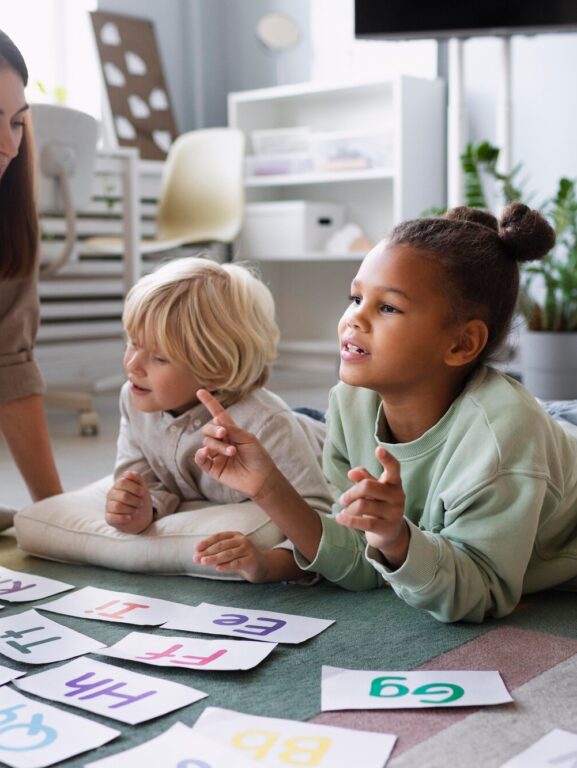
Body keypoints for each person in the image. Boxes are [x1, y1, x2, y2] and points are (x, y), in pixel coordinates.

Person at [195, 202, 577, 623]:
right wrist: (268, 486)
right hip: (547, 423)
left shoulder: (503, 441)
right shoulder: (350, 401)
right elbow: (361, 559)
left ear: (462, 344)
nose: (353, 318)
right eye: (356, 297)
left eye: (388, 307)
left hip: (554, 448)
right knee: (310, 416)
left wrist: (397, 539)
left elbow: (481, 591)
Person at [105, 256, 333, 583]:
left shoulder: (266, 425)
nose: (133, 365)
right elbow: (141, 473)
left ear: (214, 371)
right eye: (133, 343)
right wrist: (143, 507)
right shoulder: (134, 397)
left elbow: (318, 521)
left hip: (317, 435)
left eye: (158, 357)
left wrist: (268, 564)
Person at [0, 29, 62, 527]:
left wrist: (55, 512)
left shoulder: (10, 217)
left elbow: (9, 362)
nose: (8, 146)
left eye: (18, 123)